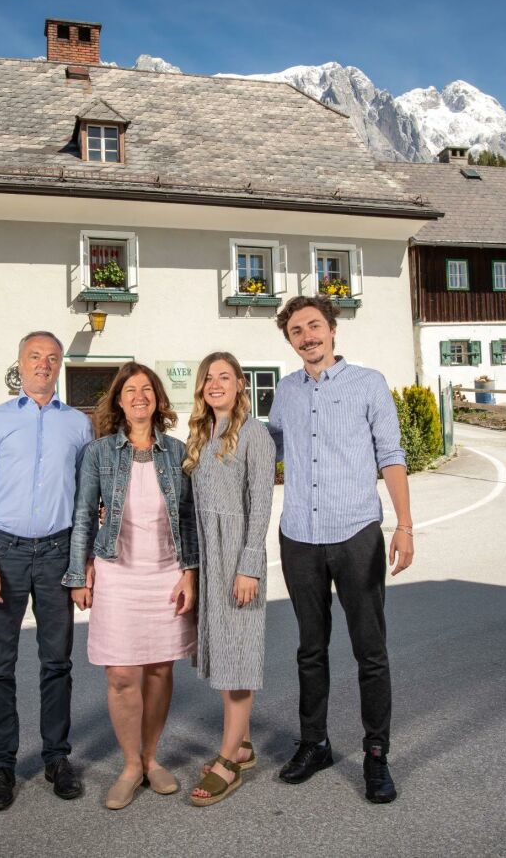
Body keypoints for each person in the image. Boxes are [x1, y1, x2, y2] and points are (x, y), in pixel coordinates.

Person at [268, 294, 414, 804]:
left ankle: (377, 755)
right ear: (290, 341)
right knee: (311, 649)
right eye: (296, 332)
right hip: (299, 539)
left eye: (314, 326)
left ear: (332, 330)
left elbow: (391, 455)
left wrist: (405, 525)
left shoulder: (368, 384)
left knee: (369, 651)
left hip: (356, 535)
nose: (307, 336)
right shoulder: (284, 391)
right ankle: (315, 743)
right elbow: (273, 452)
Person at [0, 331, 93, 812]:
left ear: (60, 367)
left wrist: (83, 563)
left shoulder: (77, 426)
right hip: (6, 552)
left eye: (52, 358)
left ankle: (57, 758)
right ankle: (1, 764)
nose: (43, 364)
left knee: (57, 663)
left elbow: (86, 501)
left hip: (59, 553)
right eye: (34, 357)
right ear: (19, 364)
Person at [65, 362, 198, 810]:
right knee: (122, 674)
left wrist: (190, 572)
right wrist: (78, 572)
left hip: (166, 573)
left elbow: (189, 519)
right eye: (130, 390)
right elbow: (84, 514)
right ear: (118, 400)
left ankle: (151, 757)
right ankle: (129, 766)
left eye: (147, 389)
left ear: (158, 399)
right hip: (117, 574)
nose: (139, 396)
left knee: (160, 670)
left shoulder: (178, 452)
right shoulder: (99, 453)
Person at [184, 351, 275, 807]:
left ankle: (228, 760)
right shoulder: (202, 433)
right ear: (201, 388)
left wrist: (249, 566)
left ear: (241, 383)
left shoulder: (254, 434)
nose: (216, 383)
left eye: (224, 376)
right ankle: (241, 743)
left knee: (238, 652)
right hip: (209, 551)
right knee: (223, 650)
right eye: (208, 378)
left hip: (238, 554)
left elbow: (260, 503)